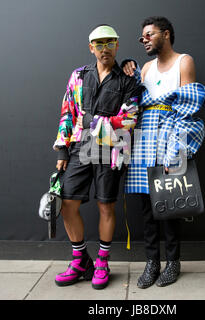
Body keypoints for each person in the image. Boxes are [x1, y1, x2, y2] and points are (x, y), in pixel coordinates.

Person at [52, 24, 143, 290]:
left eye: (110, 43)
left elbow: (129, 119)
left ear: (117, 45)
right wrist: (62, 149)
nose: (105, 49)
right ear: (91, 48)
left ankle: (102, 262)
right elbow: (68, 111)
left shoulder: (129, 79)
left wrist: (91, 120)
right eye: (99, 44)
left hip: (112, 151)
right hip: (80, 148)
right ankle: (80, 261)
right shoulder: (79, 76)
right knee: (67, 204)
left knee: (106, 206)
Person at [122, 16, 205, 288]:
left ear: (166, 34)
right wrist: (128, 68)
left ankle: (173, 263)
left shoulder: (185, 61)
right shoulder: (146, 67)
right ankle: (152, 263)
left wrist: (176, 153)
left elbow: (188, 108)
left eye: (149, 34)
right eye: (142, 37)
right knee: (147, 208)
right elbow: (134, 100)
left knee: (169, 204)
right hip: (145, 138)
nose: (144, 39)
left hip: (170, 135)